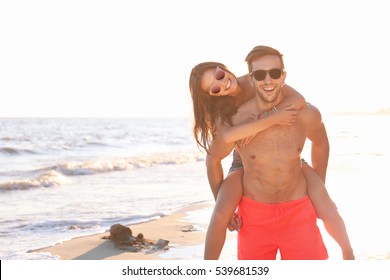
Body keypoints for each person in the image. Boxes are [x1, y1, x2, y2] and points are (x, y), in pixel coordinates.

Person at [189, 47, 354, 259]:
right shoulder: (225, 113)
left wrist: (265, 118)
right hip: (242, 159)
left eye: (219, 76)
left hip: (283, 152)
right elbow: (221, 147)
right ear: (212, 96)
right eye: (214, 89)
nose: (221, 84)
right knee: (220, 214)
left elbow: (299, 99)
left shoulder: (255, 79)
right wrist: (266, 121)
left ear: (223, 69)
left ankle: (348, 253)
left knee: (327, 206)